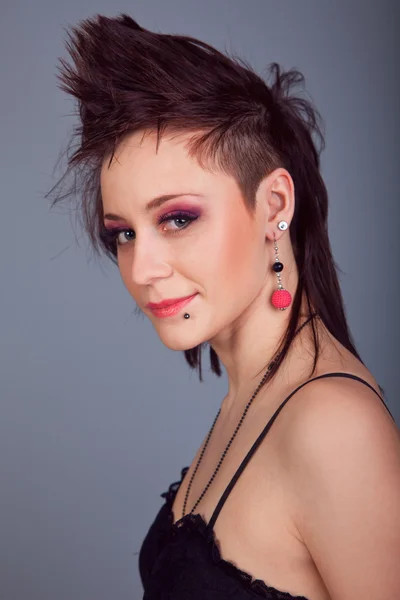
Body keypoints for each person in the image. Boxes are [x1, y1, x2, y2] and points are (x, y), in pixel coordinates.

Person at [48, 13, 400, 600]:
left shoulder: (333, 427)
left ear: (274, 205)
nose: (141, 268)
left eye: (178, 219)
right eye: (124, 234)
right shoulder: (254, 393)